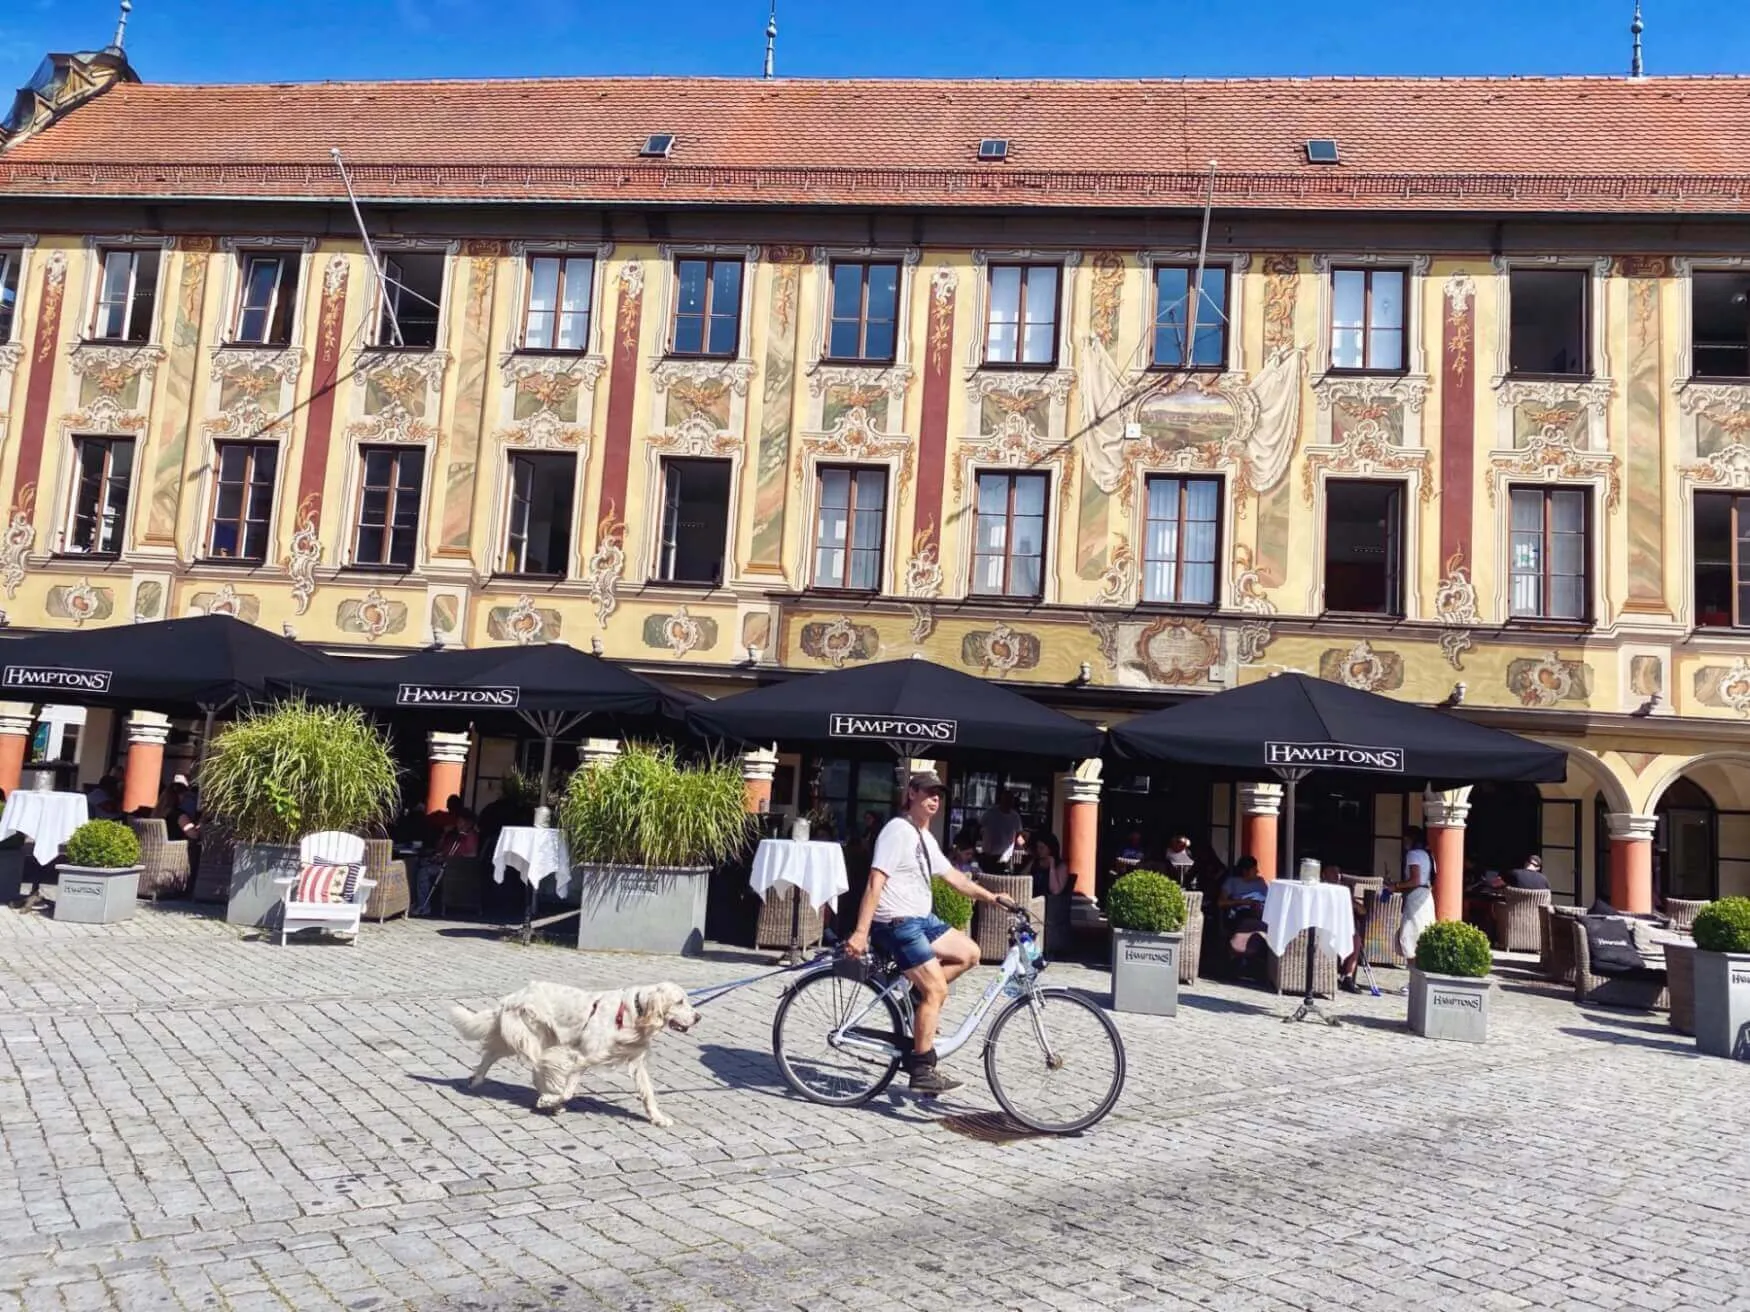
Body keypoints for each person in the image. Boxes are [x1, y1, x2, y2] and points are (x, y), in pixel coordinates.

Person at [845, 771, 1015, 1095]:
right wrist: (860, 932)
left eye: (939, 794)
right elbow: (875, 881)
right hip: (897, 923)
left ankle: (915, 997)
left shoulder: (925, 836)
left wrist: (993, 898)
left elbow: (955, 878)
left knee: (970, 953)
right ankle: (922, 1068)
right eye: (927, 792)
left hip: (922, 919)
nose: (934, 799)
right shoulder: (897, 831)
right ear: (911, 793)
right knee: (936, 990)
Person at [1392, 827, 1437, 985]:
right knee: (1420, 937)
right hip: (1426, 897)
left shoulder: (1413, 855)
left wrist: (1396, 886)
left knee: (1410, 938)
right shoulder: (1428, 855)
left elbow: (1415, 880)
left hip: (1416, 897)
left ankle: (1413, 981)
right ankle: (1417, 980)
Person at [1218, 855, 1270, 969]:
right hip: (1242, 911)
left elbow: (1268, 899)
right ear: (1245, 871)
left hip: (1261, 910)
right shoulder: (1233, 882)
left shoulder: (1260, 882)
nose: (1257, 871)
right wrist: (1242, 902)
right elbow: (1221, 902)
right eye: (1254, 869)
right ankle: (1241, 950)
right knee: (1249, 918)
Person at [978, 790, 1024, 874]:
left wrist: (1023, 846)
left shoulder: (1015, 817)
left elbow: (1019, 835)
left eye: (1010, 800)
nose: (1007, 803)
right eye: (1006, 800)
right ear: (1001, 800)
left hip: (1005, 856)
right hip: (989, 854)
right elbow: (979, 828)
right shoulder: (990, 813)